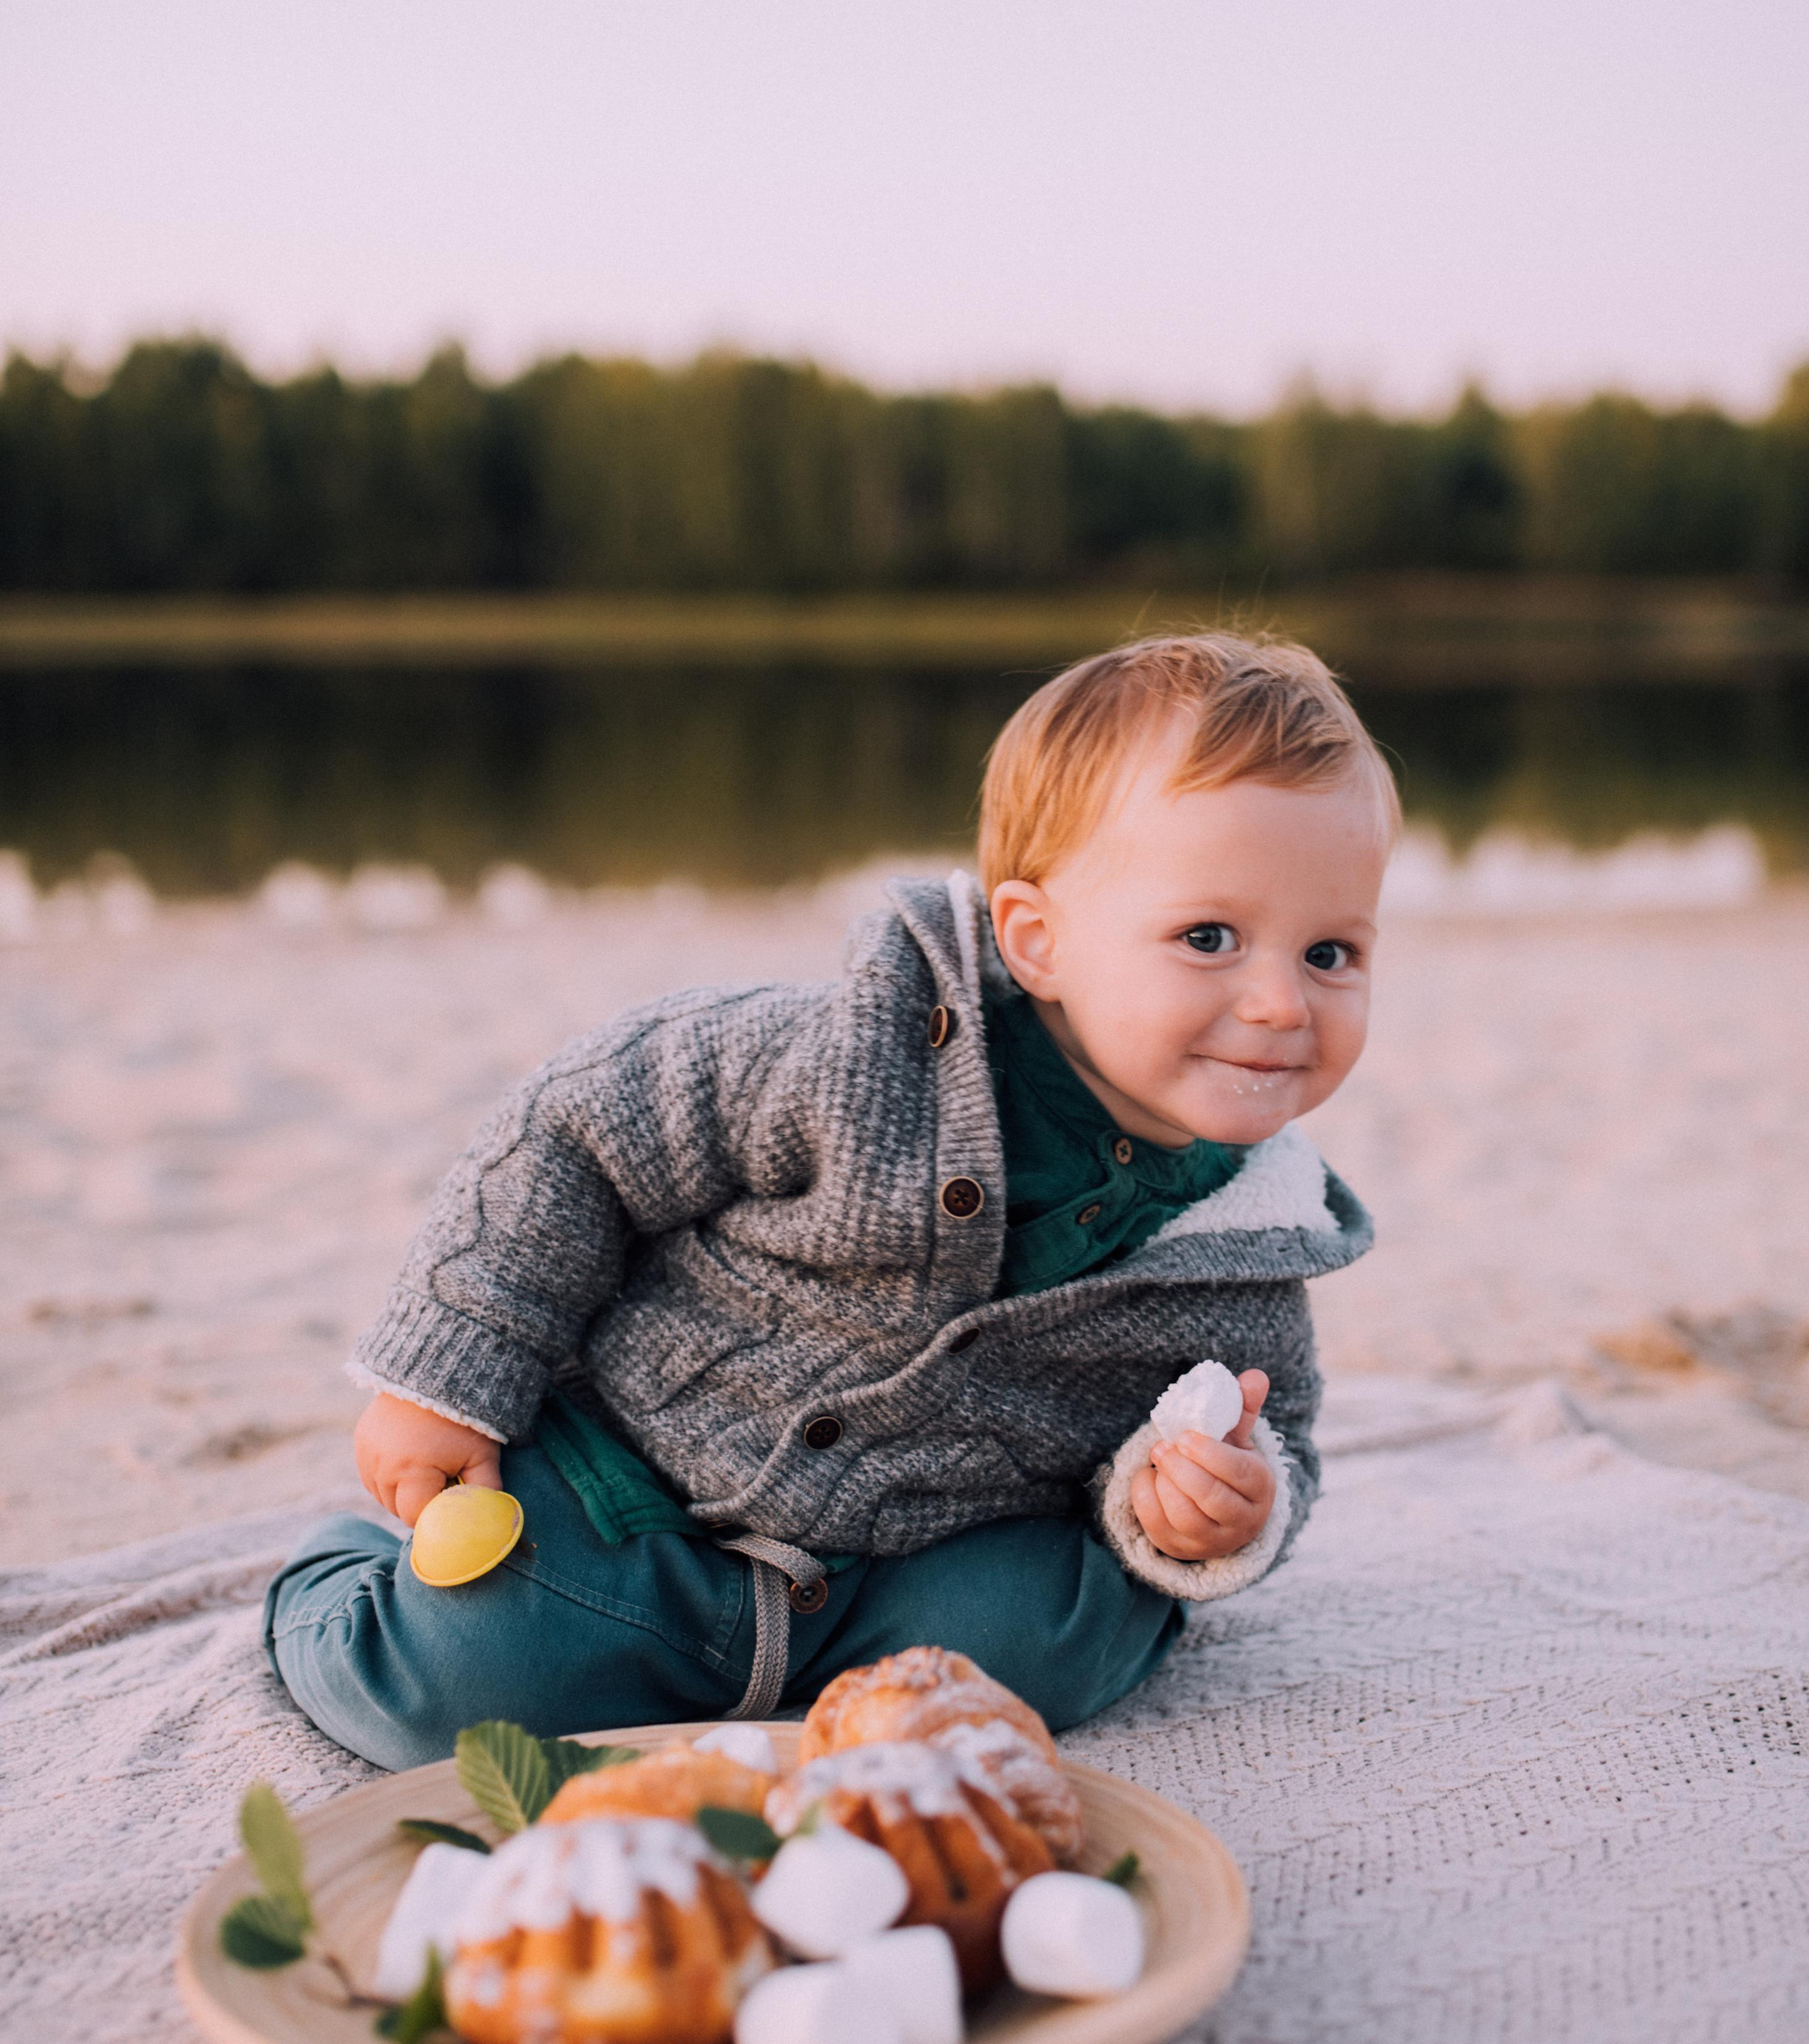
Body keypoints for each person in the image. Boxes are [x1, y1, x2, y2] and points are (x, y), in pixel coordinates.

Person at [265, 632, 1394, 1767]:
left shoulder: (1250, 1239)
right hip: (642, 1485)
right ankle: (338, 1580)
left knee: (1059, 1646)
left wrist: (1209, 1505)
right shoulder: (859, 1058)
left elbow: (1279, 1435)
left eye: (1330, 954)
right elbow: (578, 1129)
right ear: (1038, 942)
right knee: (453, 1692)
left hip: (919, 1565)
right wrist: (450, 1379)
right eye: (1209, 938)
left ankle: (822, 1687)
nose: (1281, 1004)